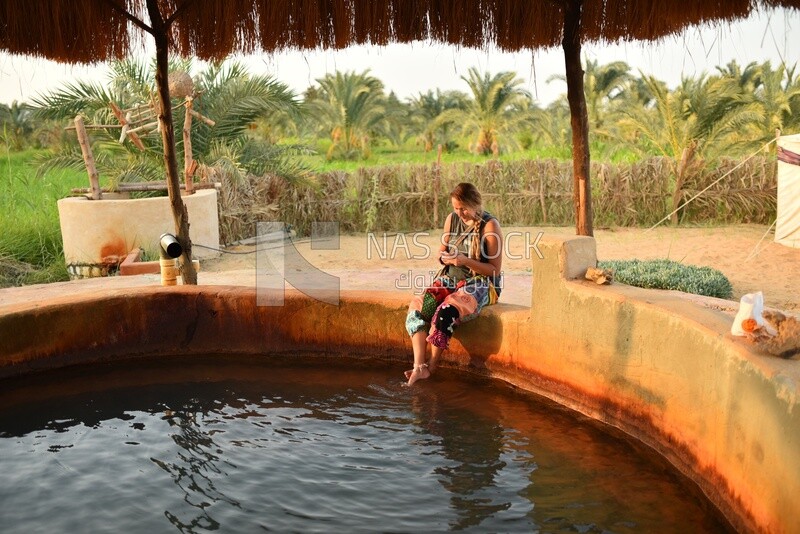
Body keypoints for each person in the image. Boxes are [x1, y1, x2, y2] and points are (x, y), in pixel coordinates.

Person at [404, 182, 503, 386]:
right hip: (451, 277)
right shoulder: (452, 219)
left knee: (446, 311)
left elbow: (495, 270)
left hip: (480, 283)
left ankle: (431, 367)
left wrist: (465, 261)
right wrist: (445, 257)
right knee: (419, 308)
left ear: (476, 204)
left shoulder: (490, 226)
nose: (459, 213)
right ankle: (418, 366)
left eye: (463, 208)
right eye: (456, 208)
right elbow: (441, 251)